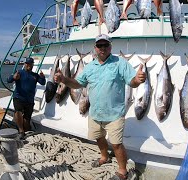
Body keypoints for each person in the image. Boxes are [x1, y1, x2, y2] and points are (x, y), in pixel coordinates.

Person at [54, 34, 146, 180]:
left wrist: (138, 79)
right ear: (95, 48)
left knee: (116, 144)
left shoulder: (120, 63)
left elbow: (132, 82)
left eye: (105, 45)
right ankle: (105, 156)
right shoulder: (90, 67)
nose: (102, 48)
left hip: (114, 114)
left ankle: (123, 171)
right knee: (98, 137)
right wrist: (64, 79)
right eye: (99, 45)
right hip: (95, 113)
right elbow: (77, 84)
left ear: (110, 47)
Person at [7, 57, 46, 139]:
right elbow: (8, 80)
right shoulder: (19, 72)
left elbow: (42, 83)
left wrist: (42, 77)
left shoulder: (35, 75)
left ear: (32, 65)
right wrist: (14, 77)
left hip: (29, 100)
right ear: (25, 64)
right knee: (18, 111)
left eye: (31, 64)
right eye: (27, 64)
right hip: (18, 97)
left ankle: (26, 130)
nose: (29, 65)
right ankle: (21, 131)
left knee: (27, 118)